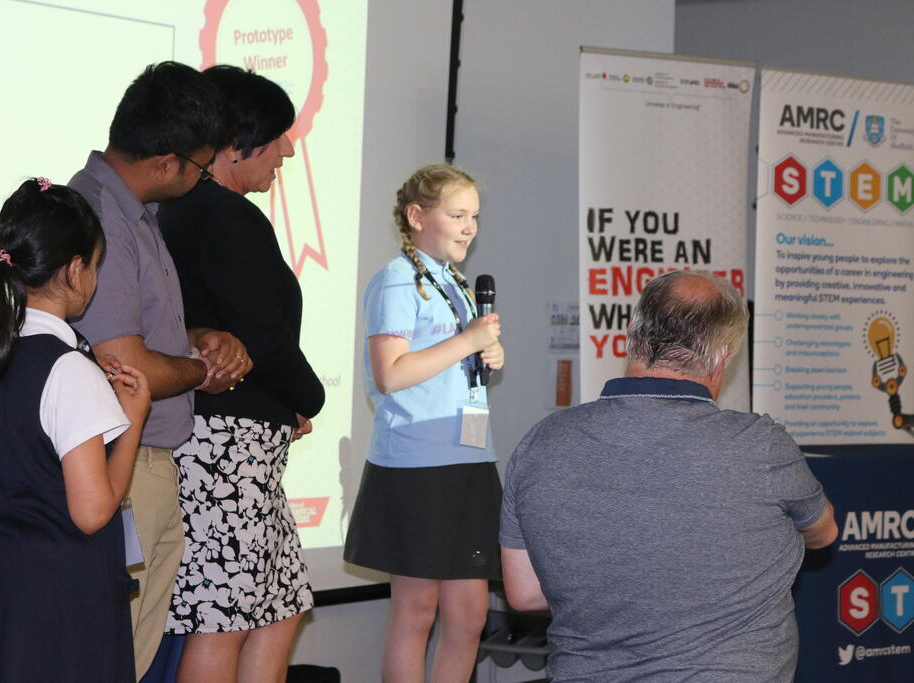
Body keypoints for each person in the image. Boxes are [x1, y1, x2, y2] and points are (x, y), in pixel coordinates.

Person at [500, 270, 838, 682]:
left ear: (630, 333)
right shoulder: (760, 444)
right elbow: (823, 532)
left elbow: (524, 593)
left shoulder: (540, 443)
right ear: (721, 358)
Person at [69, 61, 254, 679]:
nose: (203, 179)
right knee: (115, 652)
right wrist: (203, 372)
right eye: (203, 166)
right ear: (168, 162)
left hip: (146, 462)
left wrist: (199, 339)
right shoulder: (100, 216)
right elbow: (126, 366)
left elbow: (138, 336)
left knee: (132, 648)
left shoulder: (132, 212)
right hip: (127, 462)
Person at [157, 65, 325, 682]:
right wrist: (308, 398)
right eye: (278, 134)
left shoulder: (193, 211)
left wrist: (287, 404)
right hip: (223, 450)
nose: (287, 148)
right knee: (223, 620)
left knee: (280, 607)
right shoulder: (220, 215)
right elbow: (264, 334)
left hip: (244, 448)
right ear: (235, 143)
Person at [0, 178, 150, 681]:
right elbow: (91, 511)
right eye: (97, 265)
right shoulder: (67, 368)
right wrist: (133, 421)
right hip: (60, 613)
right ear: (75, 270)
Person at [344, 164, 505, 682]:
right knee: (416, 612)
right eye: (456, 215)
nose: (468, 227)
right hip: (418, 463)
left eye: (474, 217)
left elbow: (448, 359)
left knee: (469, 616)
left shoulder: (451, 280)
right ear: (416, 216)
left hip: (469, 457)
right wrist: (466, 343)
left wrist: (487, 352)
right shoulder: (396, 279)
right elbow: (390, 374)